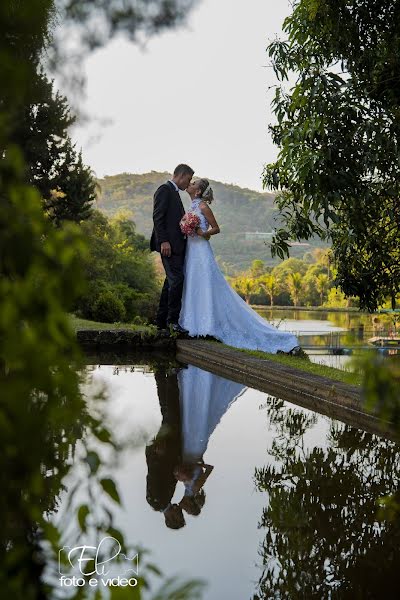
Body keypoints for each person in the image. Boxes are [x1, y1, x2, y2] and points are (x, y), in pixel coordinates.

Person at [179, 178, 300, 353]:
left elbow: (216, 228)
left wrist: (202, 232)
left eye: (193, 184)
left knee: (206, 285)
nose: (189, 184)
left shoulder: (203, 207)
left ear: (197, 191)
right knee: (194, 285)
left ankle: (207, 326)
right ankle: (193, 325)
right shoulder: (190, 207)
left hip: (201, 251)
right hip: (190, 249)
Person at [150, 164, 194, 334]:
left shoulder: (174, 192)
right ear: (181, 176)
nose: (188, 183)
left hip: (177, 245)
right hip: (168, 246)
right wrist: (164, 241)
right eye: (188, 179)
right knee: (177, 280)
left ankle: (161, 321)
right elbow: (157, 217)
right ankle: (172, 322)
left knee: (170, 282)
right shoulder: (164, 189)